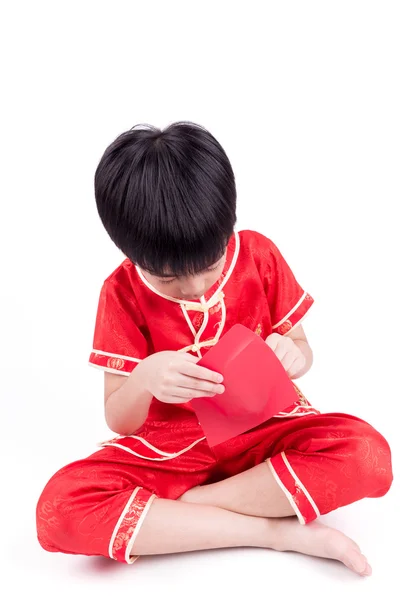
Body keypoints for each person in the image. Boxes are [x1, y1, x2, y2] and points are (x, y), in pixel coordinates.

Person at [36, 122, 392, 575]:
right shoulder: (120, 292)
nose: (195, 287)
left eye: (209, 265)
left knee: (368, 454)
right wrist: (146, 378)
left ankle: (190, 510)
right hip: (171, 452)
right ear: (128, 249)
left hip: (265, 431)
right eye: (168, 278)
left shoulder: (259, 255)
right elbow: (119, 419)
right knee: (60, 508)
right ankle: (272, 531)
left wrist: (292, 354)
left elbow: (301, 349)